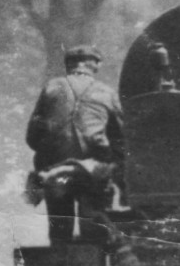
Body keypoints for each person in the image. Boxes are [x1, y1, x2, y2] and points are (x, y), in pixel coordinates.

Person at [26, 46, 124, 245]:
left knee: (60, 230)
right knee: (95, 230)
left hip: (56, 172)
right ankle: (95, 260)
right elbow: (121, 139)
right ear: (95, 65)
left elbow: (32, 137)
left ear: (68, 66)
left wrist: (53, 152)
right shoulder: (106, 92)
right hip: (92, 172)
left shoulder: (51, 88)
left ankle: (61, 265)